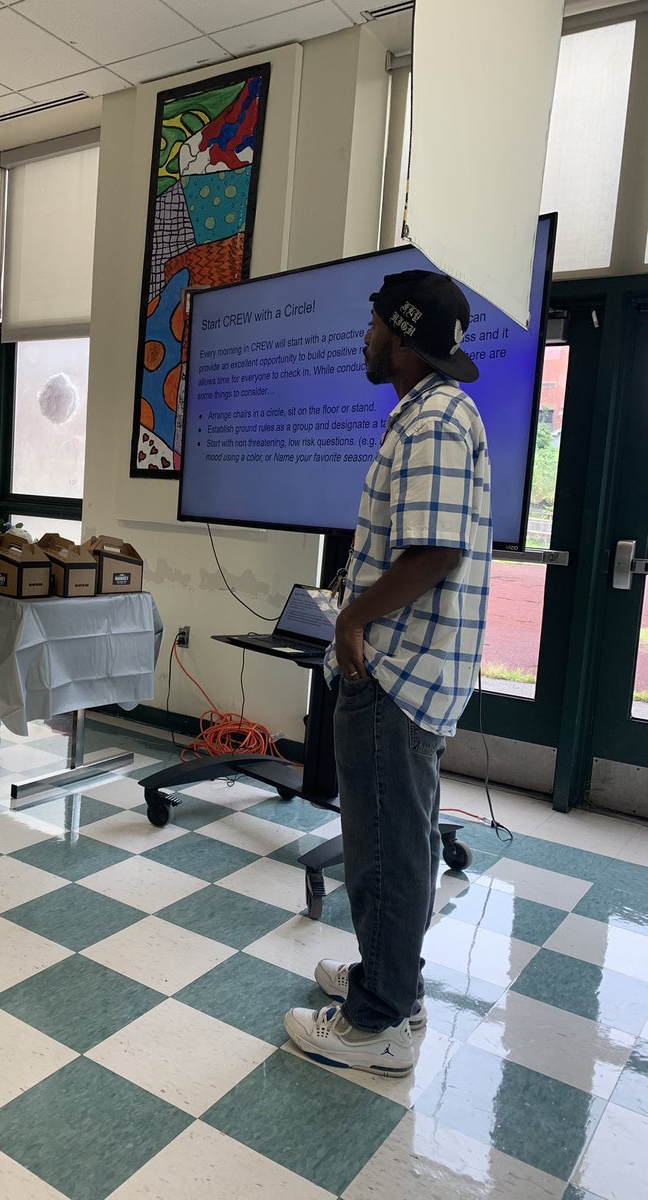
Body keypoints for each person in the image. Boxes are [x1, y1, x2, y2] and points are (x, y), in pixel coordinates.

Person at [284, 271, 492, 1077]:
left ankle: (376, 1025)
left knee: (386, 847)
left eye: (372, 324)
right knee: (391, 837)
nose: (364, 337)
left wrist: (350, 618)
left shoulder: (434, 421)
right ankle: (388, 980)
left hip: (396, 670)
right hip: (407, 669)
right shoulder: (428, 415)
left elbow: (435, 551)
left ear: (400, 336)